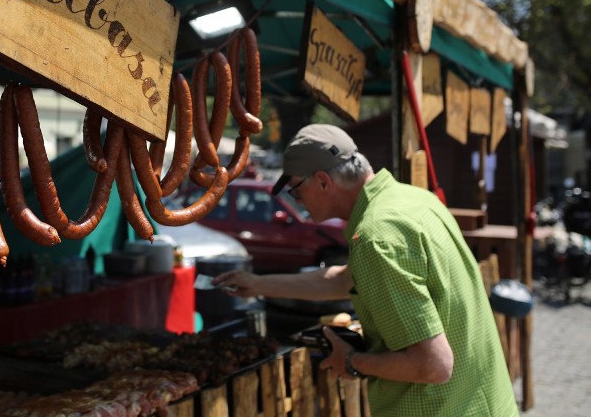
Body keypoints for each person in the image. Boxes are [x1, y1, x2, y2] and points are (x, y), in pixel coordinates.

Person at [214, 124, 517, 416]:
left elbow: (433, 365)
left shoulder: (376, 237)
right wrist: (257, 284)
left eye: (295, 190)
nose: (298, 201)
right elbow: (345, 279)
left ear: (323, 181)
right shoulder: (415, 200)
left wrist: (353, 361)